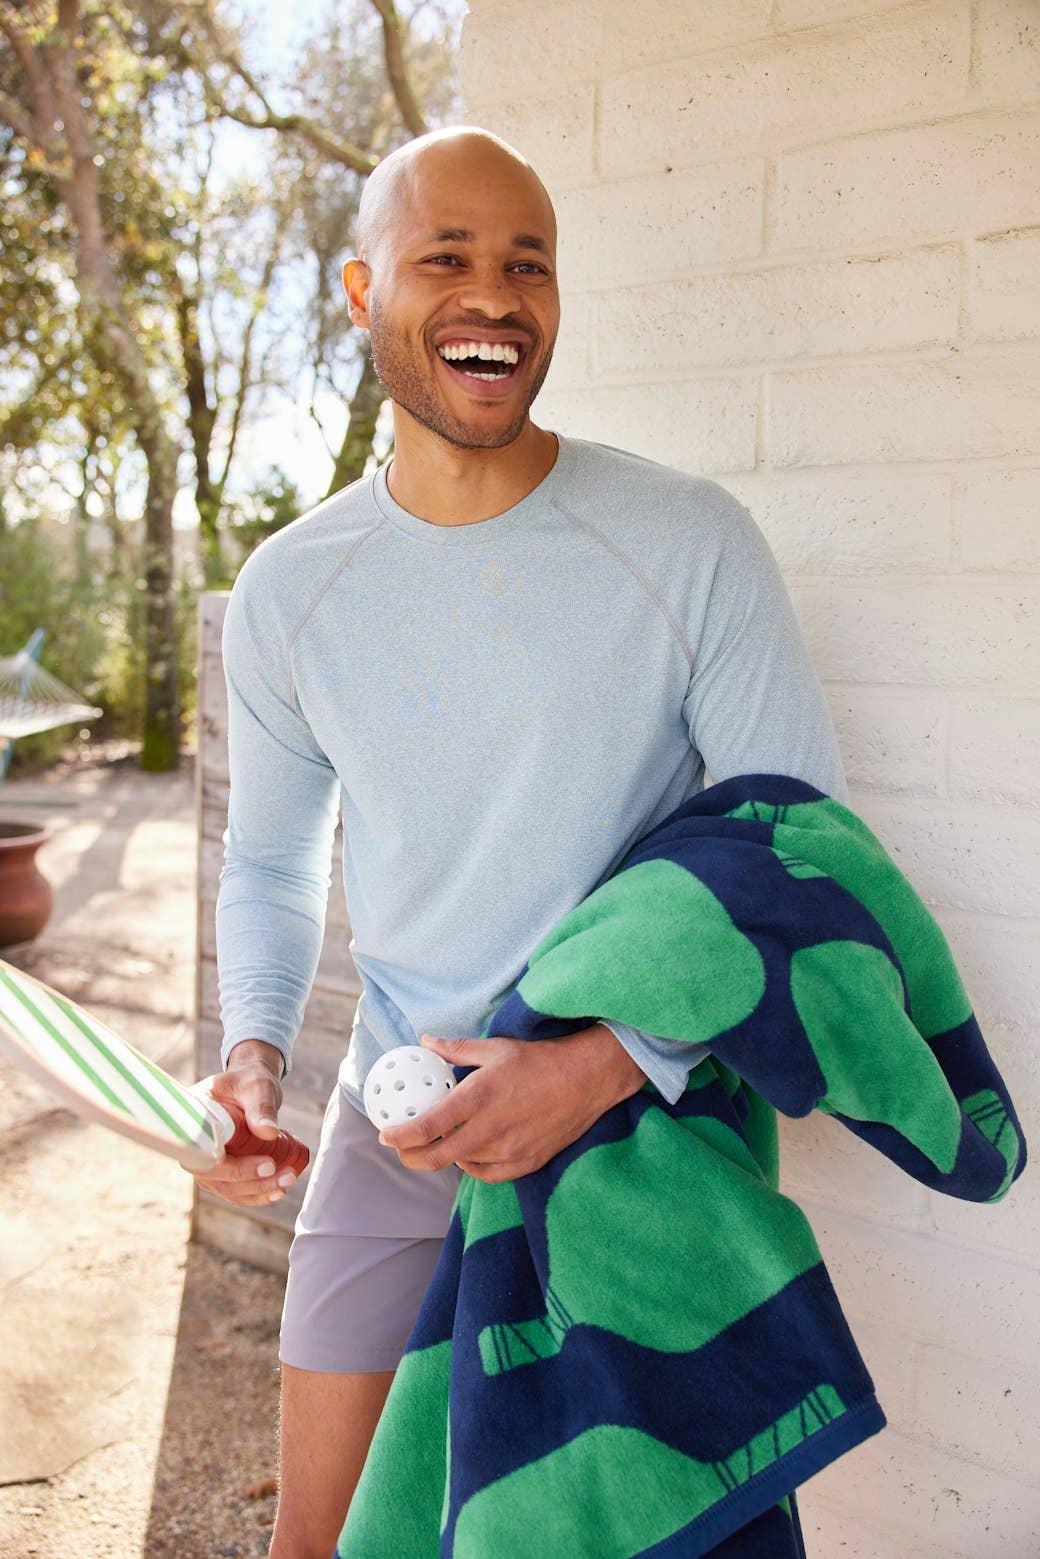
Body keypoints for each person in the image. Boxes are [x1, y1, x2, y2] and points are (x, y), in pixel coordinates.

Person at [188, 124, 849, 1559]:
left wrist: (606, 1062)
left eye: (527, 264)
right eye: (447, 258)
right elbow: (274, 862)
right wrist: (253, 1056)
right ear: (363, 291)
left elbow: (799, 846)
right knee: (322, 1544)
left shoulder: (688, 541)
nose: (493, 295)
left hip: (643, 1135)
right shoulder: (293, 589)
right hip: (397, 1129)